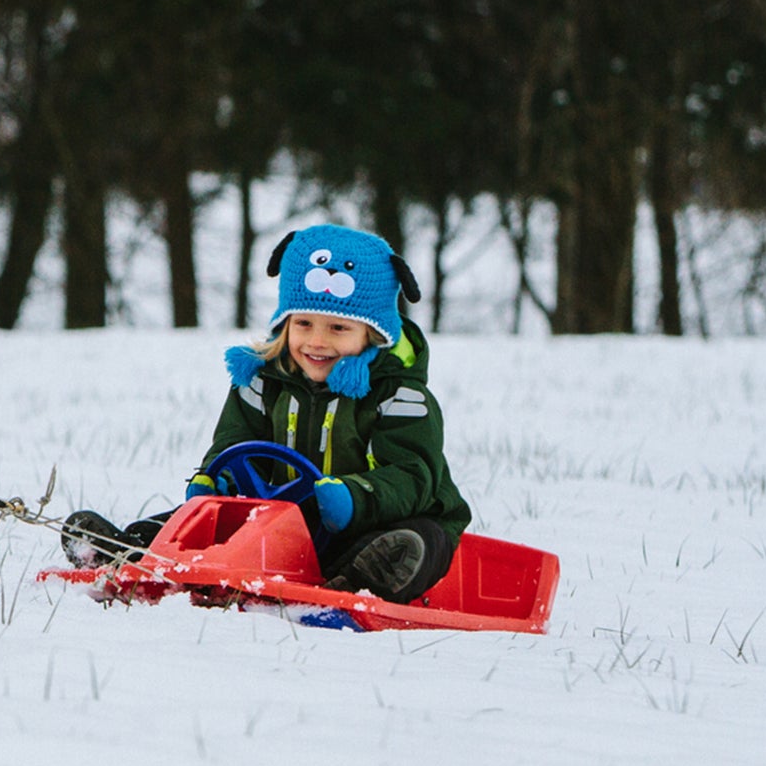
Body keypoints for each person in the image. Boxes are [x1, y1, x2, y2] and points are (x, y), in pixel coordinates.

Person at [60, 223, 473, 603]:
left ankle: (360, 581)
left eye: (339, 329)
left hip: (370, 521)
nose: (317, 342)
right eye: (304, 324)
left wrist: (353, 497)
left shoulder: (400, 396)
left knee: (423, 539)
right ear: (285, 324)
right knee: (197, 520)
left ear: (374, 335)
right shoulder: (262, 381)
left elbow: (412, 475)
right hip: (283, 521)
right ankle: (130, 550)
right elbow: (237, 442)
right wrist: (215, 478)